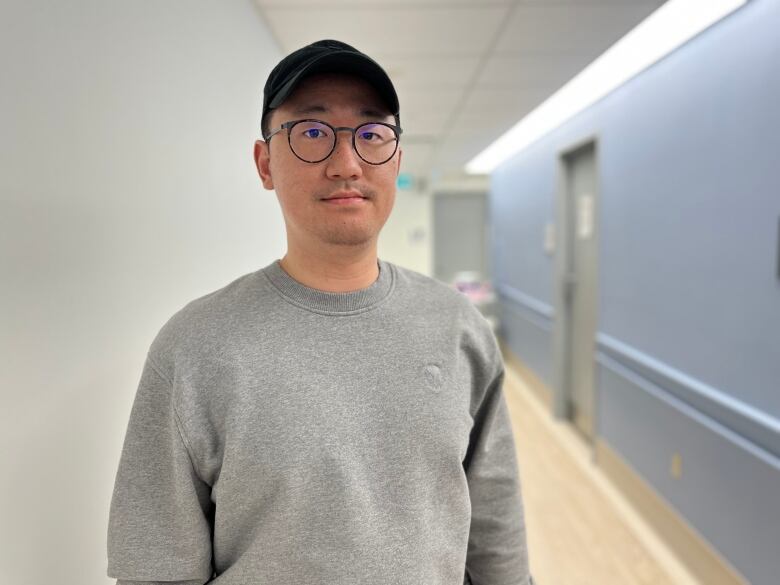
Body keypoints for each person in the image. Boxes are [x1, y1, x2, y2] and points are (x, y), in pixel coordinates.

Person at [107, 39, 533, 585]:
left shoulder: (458, 330)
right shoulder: (195, 345)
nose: (347, 164)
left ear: (396, 159)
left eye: (372, 134)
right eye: (311, 133)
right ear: (265, 163)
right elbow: (156, 565)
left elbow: (497, 541)